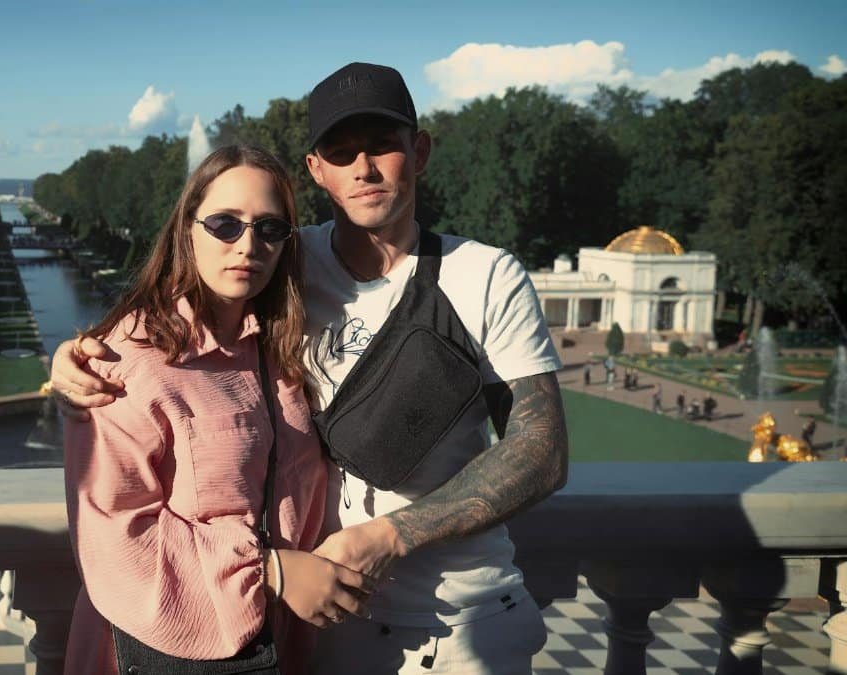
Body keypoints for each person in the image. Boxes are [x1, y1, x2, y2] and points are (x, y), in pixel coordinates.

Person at [51, 63, 567, 674]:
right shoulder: (288, 264)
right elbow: (176, 326)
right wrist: (75, 356)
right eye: (341, 152)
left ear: (419, 151)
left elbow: (541, 449)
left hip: (461, 620)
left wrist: (389, 536)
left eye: (383, 147)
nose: (364, 169)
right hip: (322, 631)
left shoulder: (483, 276)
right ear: (316, 170)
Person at [62, 145, 366, 674]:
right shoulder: (127, 359)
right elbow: (113, 536)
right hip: (160, 650)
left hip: (274, 645)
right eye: (225, 224)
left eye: (270, 229)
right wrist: (271, 570)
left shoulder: (279, 348)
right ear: (187, 229)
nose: (248, 245)